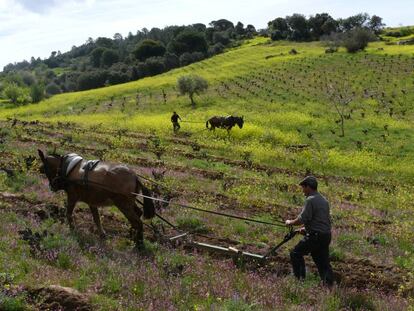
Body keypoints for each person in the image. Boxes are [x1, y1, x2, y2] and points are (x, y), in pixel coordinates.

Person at [285, 176, 334, 286]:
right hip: (325, 236)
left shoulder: (310, 200)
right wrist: (305, 229)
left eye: (303, 188)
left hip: (315, 236)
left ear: (308, 187)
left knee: (295, 253)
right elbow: (320, 220)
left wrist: (290, 222)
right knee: (322, 261)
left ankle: (299, 281)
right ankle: (329, 285)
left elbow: (302, 219)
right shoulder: (324, 200)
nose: (303, 191)